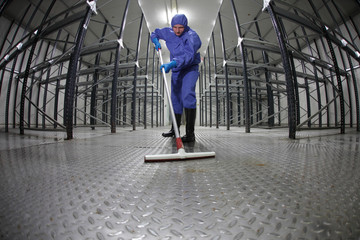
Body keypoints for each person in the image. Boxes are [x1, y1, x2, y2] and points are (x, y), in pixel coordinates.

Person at [150, 14, 202, 142]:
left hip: (189, 68)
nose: (177, 30)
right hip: (177, 69)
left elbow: (189, 56)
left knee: (187, 95)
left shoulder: (192, 36)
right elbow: (154, 33)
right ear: (171, 26)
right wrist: (155, 40)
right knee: (175, 98)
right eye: (175, 27)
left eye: (180, 27)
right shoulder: (168, 32)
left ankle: (190, 134)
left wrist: (172, 63)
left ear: (185, 26)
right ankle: (175, 130)